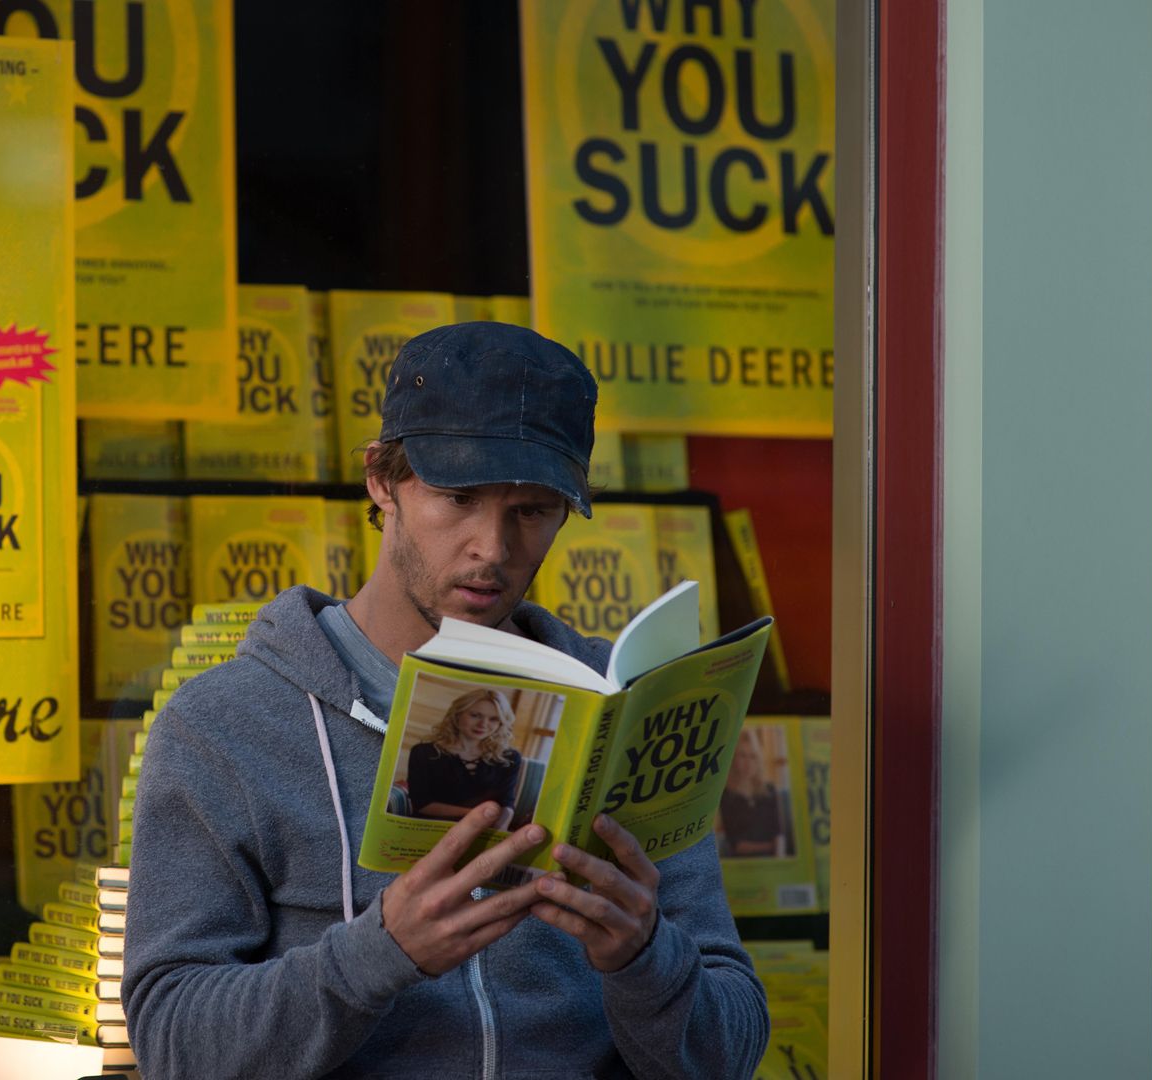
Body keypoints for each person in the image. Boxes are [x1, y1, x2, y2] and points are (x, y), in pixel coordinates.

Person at [124, 322, 768, 1078]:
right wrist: (379, 953)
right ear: (381, 480)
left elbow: (731, 1048)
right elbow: (171, 1043)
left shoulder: (619, 708)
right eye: (458, 497)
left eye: (531, 511)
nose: (492, 549)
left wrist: (644, 959)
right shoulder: (223, 725)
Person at [407, 688, 521, 821]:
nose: (483, 724)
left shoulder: (510, 758)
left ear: (501, 723)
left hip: (484, 830)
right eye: (475, 715)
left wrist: (498, 831)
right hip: (430, 826)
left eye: (493, 719)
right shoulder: (423, 752)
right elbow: (422, 804)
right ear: (457, 715)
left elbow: (507, 804)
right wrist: (478, 815)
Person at [717, 730, 792, 858]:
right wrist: (769, 846)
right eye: (742, 755)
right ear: (734, 758)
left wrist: (779, 858)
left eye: (752, 756)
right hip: (743, 863)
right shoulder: (725, 795)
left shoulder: (770, 789)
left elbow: (779, 833)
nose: (748, 763)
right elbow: (737, 846)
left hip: (774, 859)